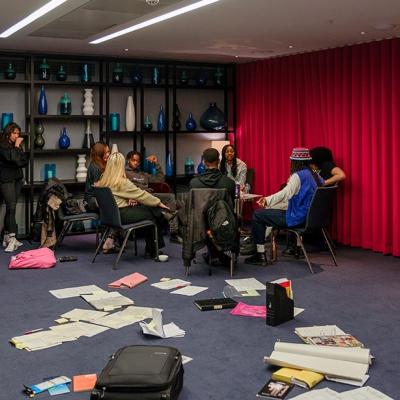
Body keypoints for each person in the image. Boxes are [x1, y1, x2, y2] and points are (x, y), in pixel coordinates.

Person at [245, 147, 323, 266]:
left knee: (258, 215)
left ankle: (259, 254)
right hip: (312, 219)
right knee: (271, 210)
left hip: (297, 219)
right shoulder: (315, 175)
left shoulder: (298, 176)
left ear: (295, 161)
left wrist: (267, 199)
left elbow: (286, 193)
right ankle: (297, 248)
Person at [96, 152, 174, 258]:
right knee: (153, 213)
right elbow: (141, 195)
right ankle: (153, 249)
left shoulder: (103, 181)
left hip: (110, 217)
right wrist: (158, 203)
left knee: (150, 212)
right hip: (122, 215)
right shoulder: (122, 182)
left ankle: (152, 247)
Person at [190, 147, 236, 265]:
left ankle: (214, 253)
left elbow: (192, 207)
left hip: (200, 225)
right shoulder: (229, 183)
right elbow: (231, 207)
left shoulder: (194, 183)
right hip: (223, 224)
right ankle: (219, 253)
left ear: (204, 162)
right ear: (219, 160)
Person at [125, 150, 183, 244]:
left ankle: (173, 231)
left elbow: (160, 179)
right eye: (133, 160)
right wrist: (129, 198)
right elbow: (122, 188)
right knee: (170, 201)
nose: (136, 163)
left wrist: (156, 163)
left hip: (149, 196)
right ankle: (169, 218)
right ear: (128, 160)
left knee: (171, 197)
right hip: (138, 198)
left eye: (138, 161)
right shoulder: (124, 173)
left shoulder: (142, 174)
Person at [0, 122, 28, 252]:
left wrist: (17, 149)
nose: (17, 135)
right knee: (11, 208)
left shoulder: (15, 146)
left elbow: (23, 162)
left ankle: (6, 236)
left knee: (11, 208)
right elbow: (14, 159)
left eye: (18, 133)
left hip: (17, 179)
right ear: (8, 133)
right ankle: (12, 239)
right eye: (14, 133)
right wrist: (17, 147)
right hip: (6, 180)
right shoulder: (2, 145)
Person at [84, 141, 110, 211]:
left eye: (108, 152)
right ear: (99, 153)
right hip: (93, 202)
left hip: (98, 199)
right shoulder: (95, 167)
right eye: (105, 153)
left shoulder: (101, 165)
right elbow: (99, 190)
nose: (108, 154)